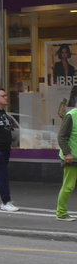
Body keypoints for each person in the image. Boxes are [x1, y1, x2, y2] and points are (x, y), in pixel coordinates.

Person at [56, 89, 77, 220]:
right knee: (68, 186)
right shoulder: (71, 115)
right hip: (72, 158)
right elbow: (61, 136)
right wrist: (67, 153)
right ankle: (61, 213)